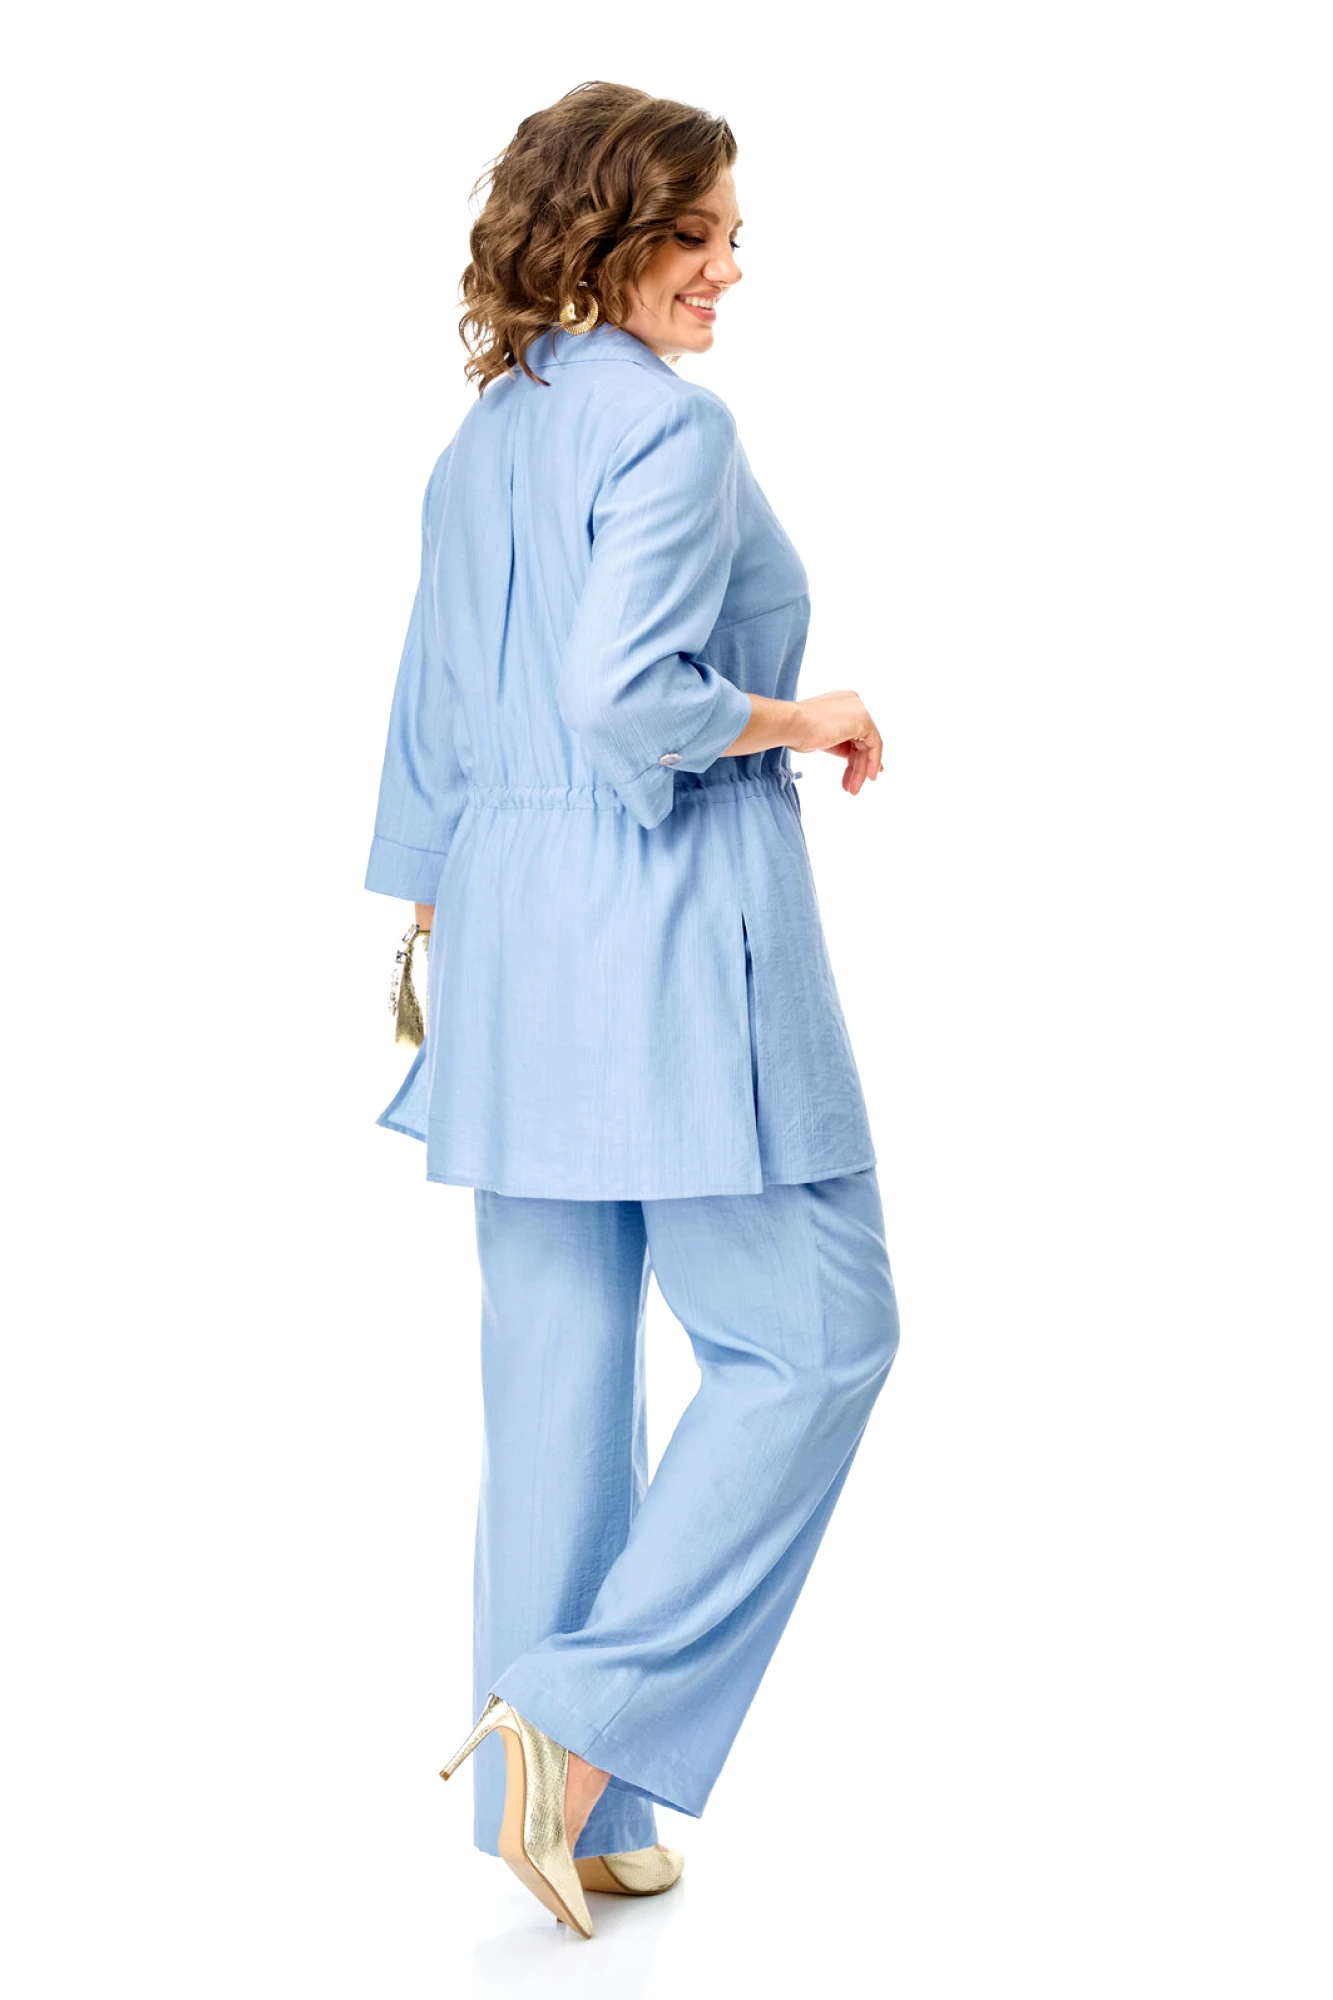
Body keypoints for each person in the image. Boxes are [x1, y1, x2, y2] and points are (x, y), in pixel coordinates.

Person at [365, 80, 901, 1941]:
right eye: (692, 234)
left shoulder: (485, 439)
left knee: (558, 1372)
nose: (725, 269)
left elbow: (432, 720)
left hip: (516, 942)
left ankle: (572, 1819)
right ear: (598, 234)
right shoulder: (672, 429)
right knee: (817, 1337)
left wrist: (446, 911)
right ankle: (580, 1729)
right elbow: (629, 698)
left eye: (733, 235)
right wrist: (807, 715)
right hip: (670, 932)